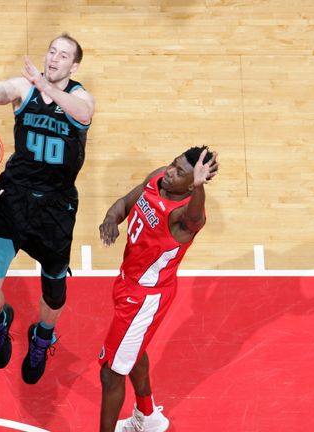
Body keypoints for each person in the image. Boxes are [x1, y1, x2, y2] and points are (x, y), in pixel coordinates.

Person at [0, 33, 95, 384]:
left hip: (56, 208)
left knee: (54, 297)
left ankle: (41, 338)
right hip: (14, 199)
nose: (54, 58)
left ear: (73, 66)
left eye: (63, 55)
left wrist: (46, 85)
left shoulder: (79, 96)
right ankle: (0, 323)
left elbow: (83, 115)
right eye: (52, 51)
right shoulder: (25, 87)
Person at [97, 146, 219, 432]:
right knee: (133, 351)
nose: (170, 173)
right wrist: (110, 220)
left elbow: (196, 218)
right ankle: (148, 416)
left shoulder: (184, 218)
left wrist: (199, 188)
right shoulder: (157, 179)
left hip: (145, 298)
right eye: (173, 164)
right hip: (127, 282)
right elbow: (124, 204)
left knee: (110, 373)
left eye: (180, 173)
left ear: (192, 184)